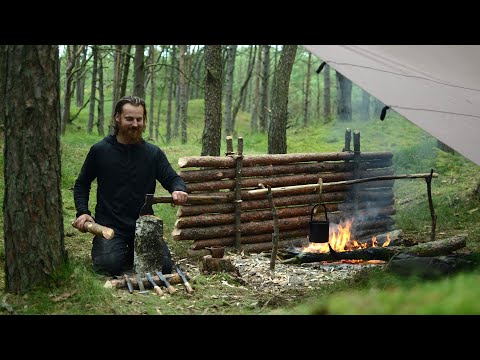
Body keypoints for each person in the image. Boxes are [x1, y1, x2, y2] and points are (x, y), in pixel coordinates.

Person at [73, 95, 188, 276]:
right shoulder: (100, 150)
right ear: (117, 118)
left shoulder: (153, 153)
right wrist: (83, 212)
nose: (135, 124)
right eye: (129, 119)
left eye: (139, 119)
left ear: (144, 121)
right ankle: (119, 252)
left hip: (144, 226)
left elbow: (173, 178)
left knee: (164, 267)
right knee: (107, 266)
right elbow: (82, 183)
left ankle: (130, 252)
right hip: (110, 227)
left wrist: (178, 189)